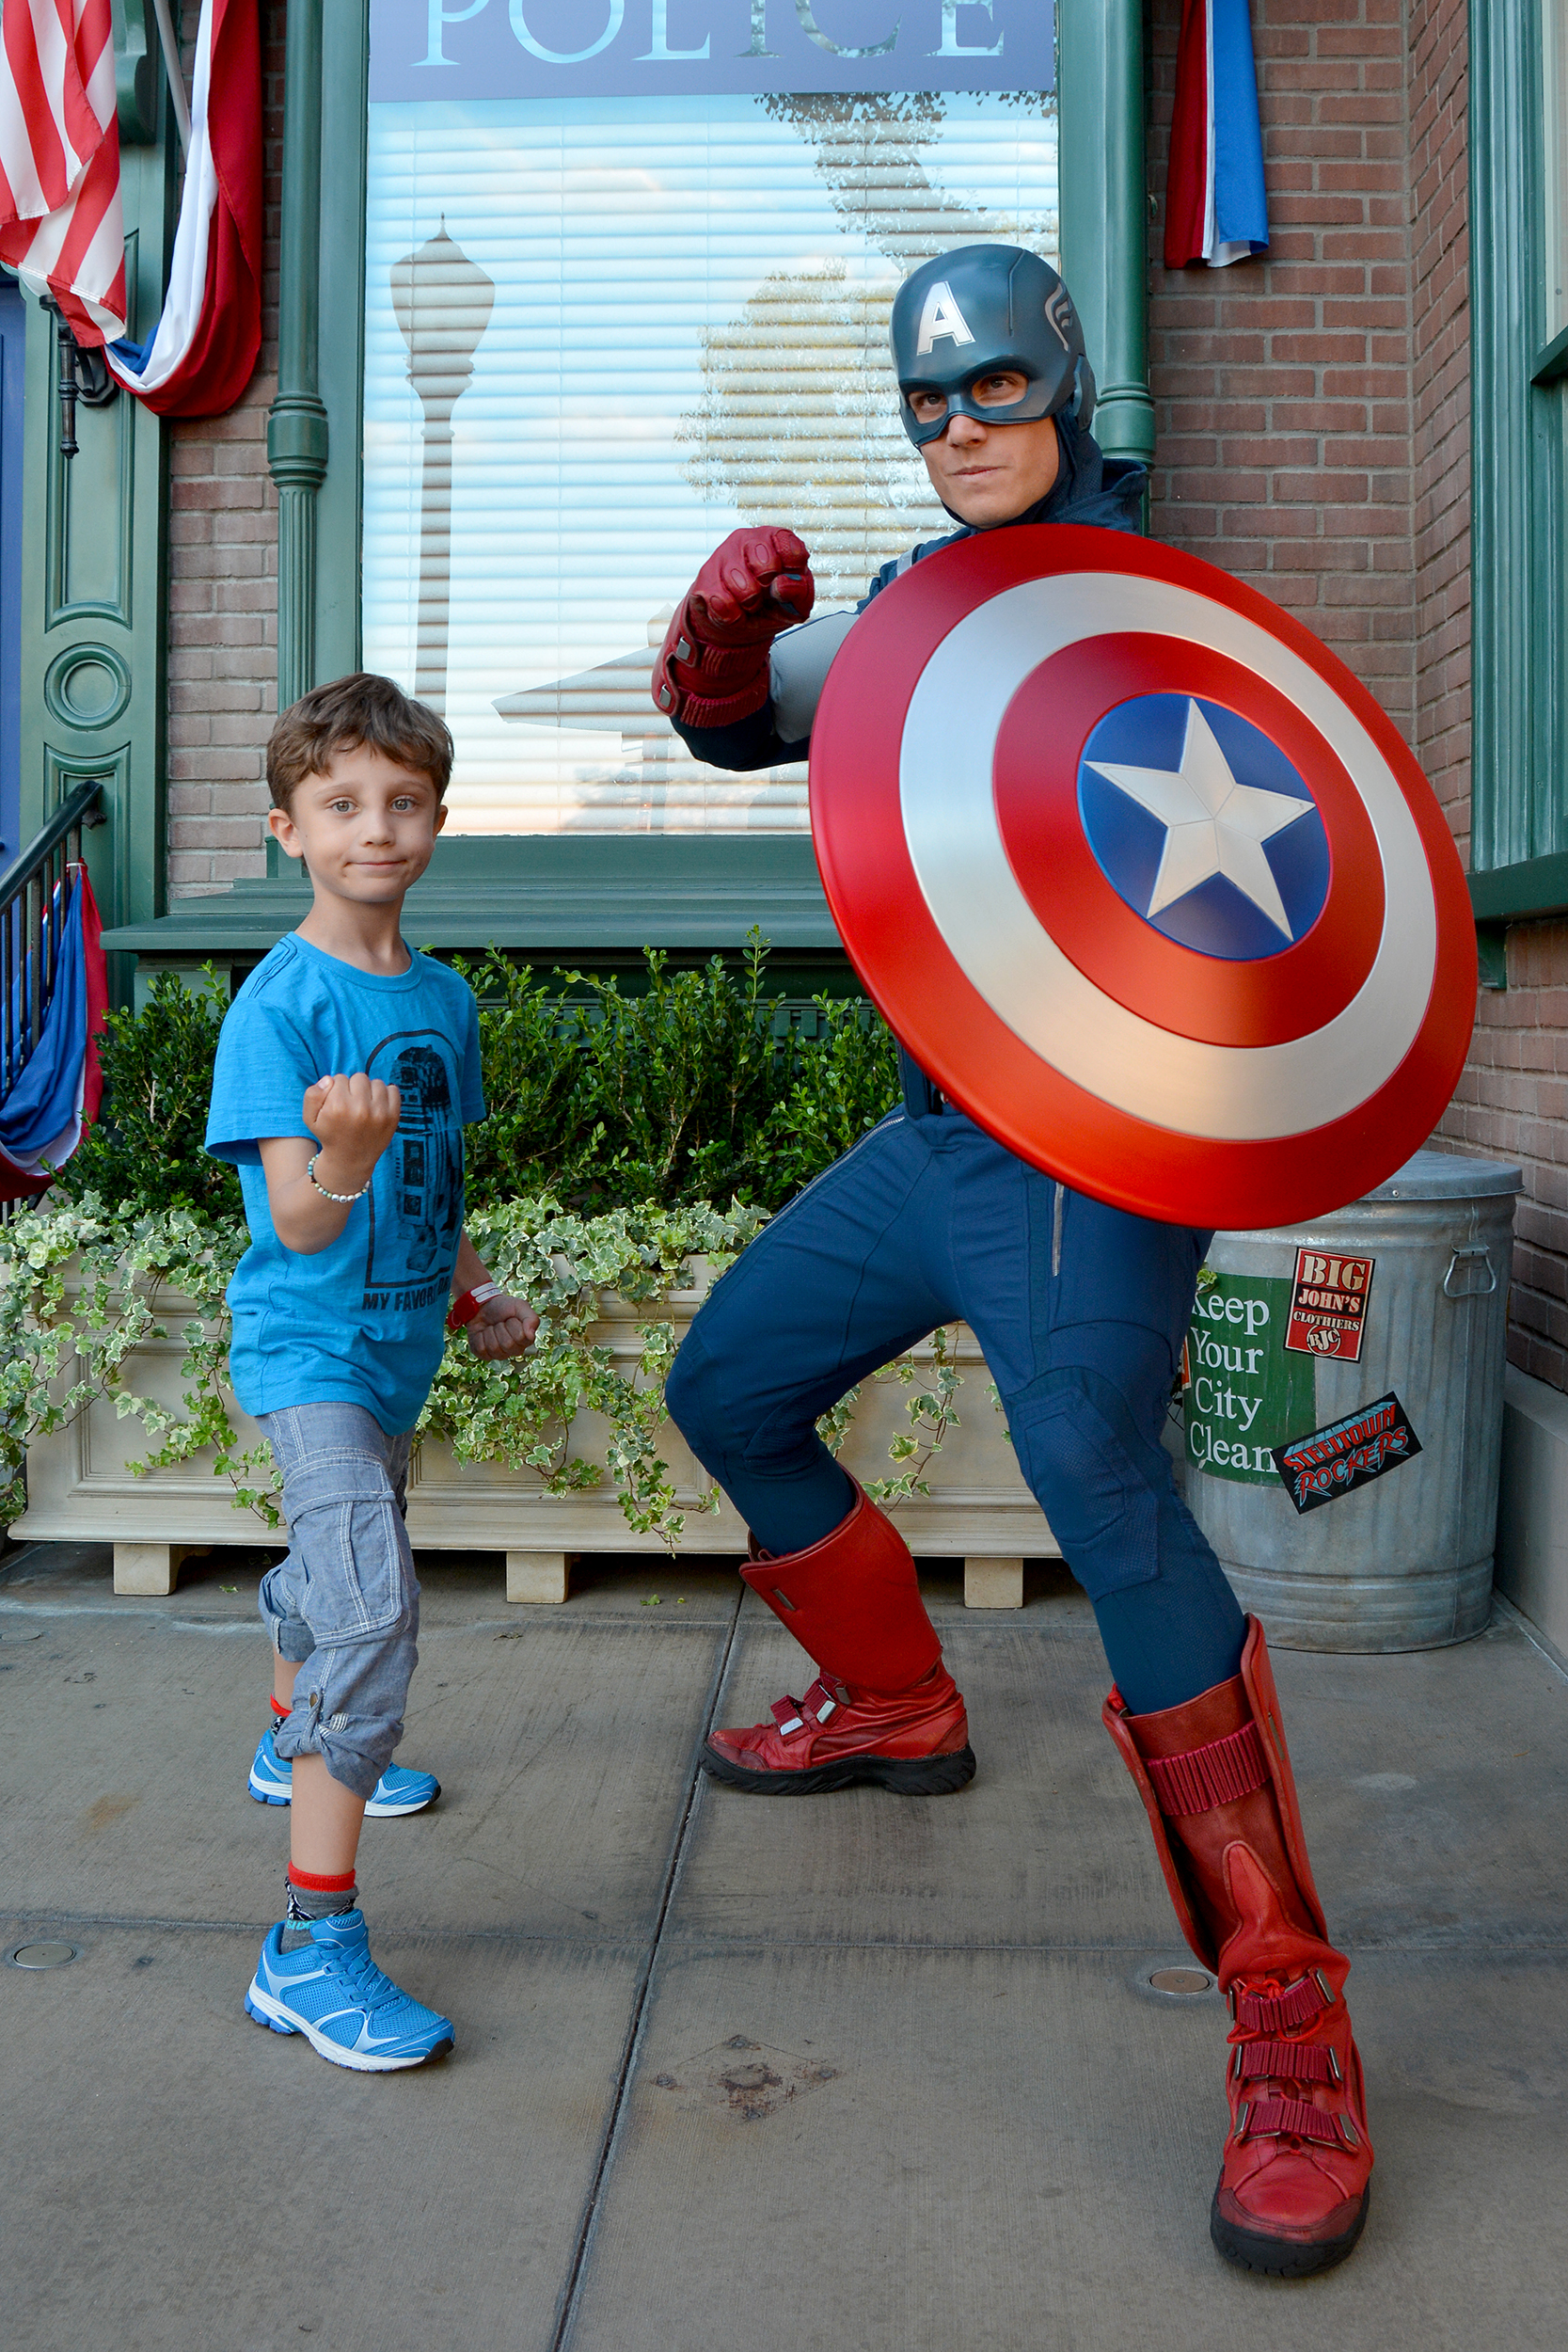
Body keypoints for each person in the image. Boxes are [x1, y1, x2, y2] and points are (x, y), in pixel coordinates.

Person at [656, 246, 1373, 2275]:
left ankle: (1290, 2019)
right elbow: (741, 729)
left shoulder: (1154, 614)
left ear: (1061, 372)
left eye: (986, 384)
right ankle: (896, 1701)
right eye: (923, 403)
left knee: (1096, 1471)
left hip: (1097, 1151)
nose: (958, 427)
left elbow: (1285, 874)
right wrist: (719, 645)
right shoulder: (912, 607)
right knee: (730, 1383)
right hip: (943, 1135)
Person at [205, 673, 538, 2073]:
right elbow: (299, 1218)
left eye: (402, 802)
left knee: (339, 1587)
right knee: (375, 1622)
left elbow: (437, 1173)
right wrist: (336, 1158)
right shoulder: (275, 1012)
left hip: (396, 1350)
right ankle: (309, 1947)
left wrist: (466, 1292)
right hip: (308, 1359)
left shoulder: (446, 999)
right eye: (341, 805)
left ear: (439, 820)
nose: (375, 829)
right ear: (289, 828)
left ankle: (295, 1733)